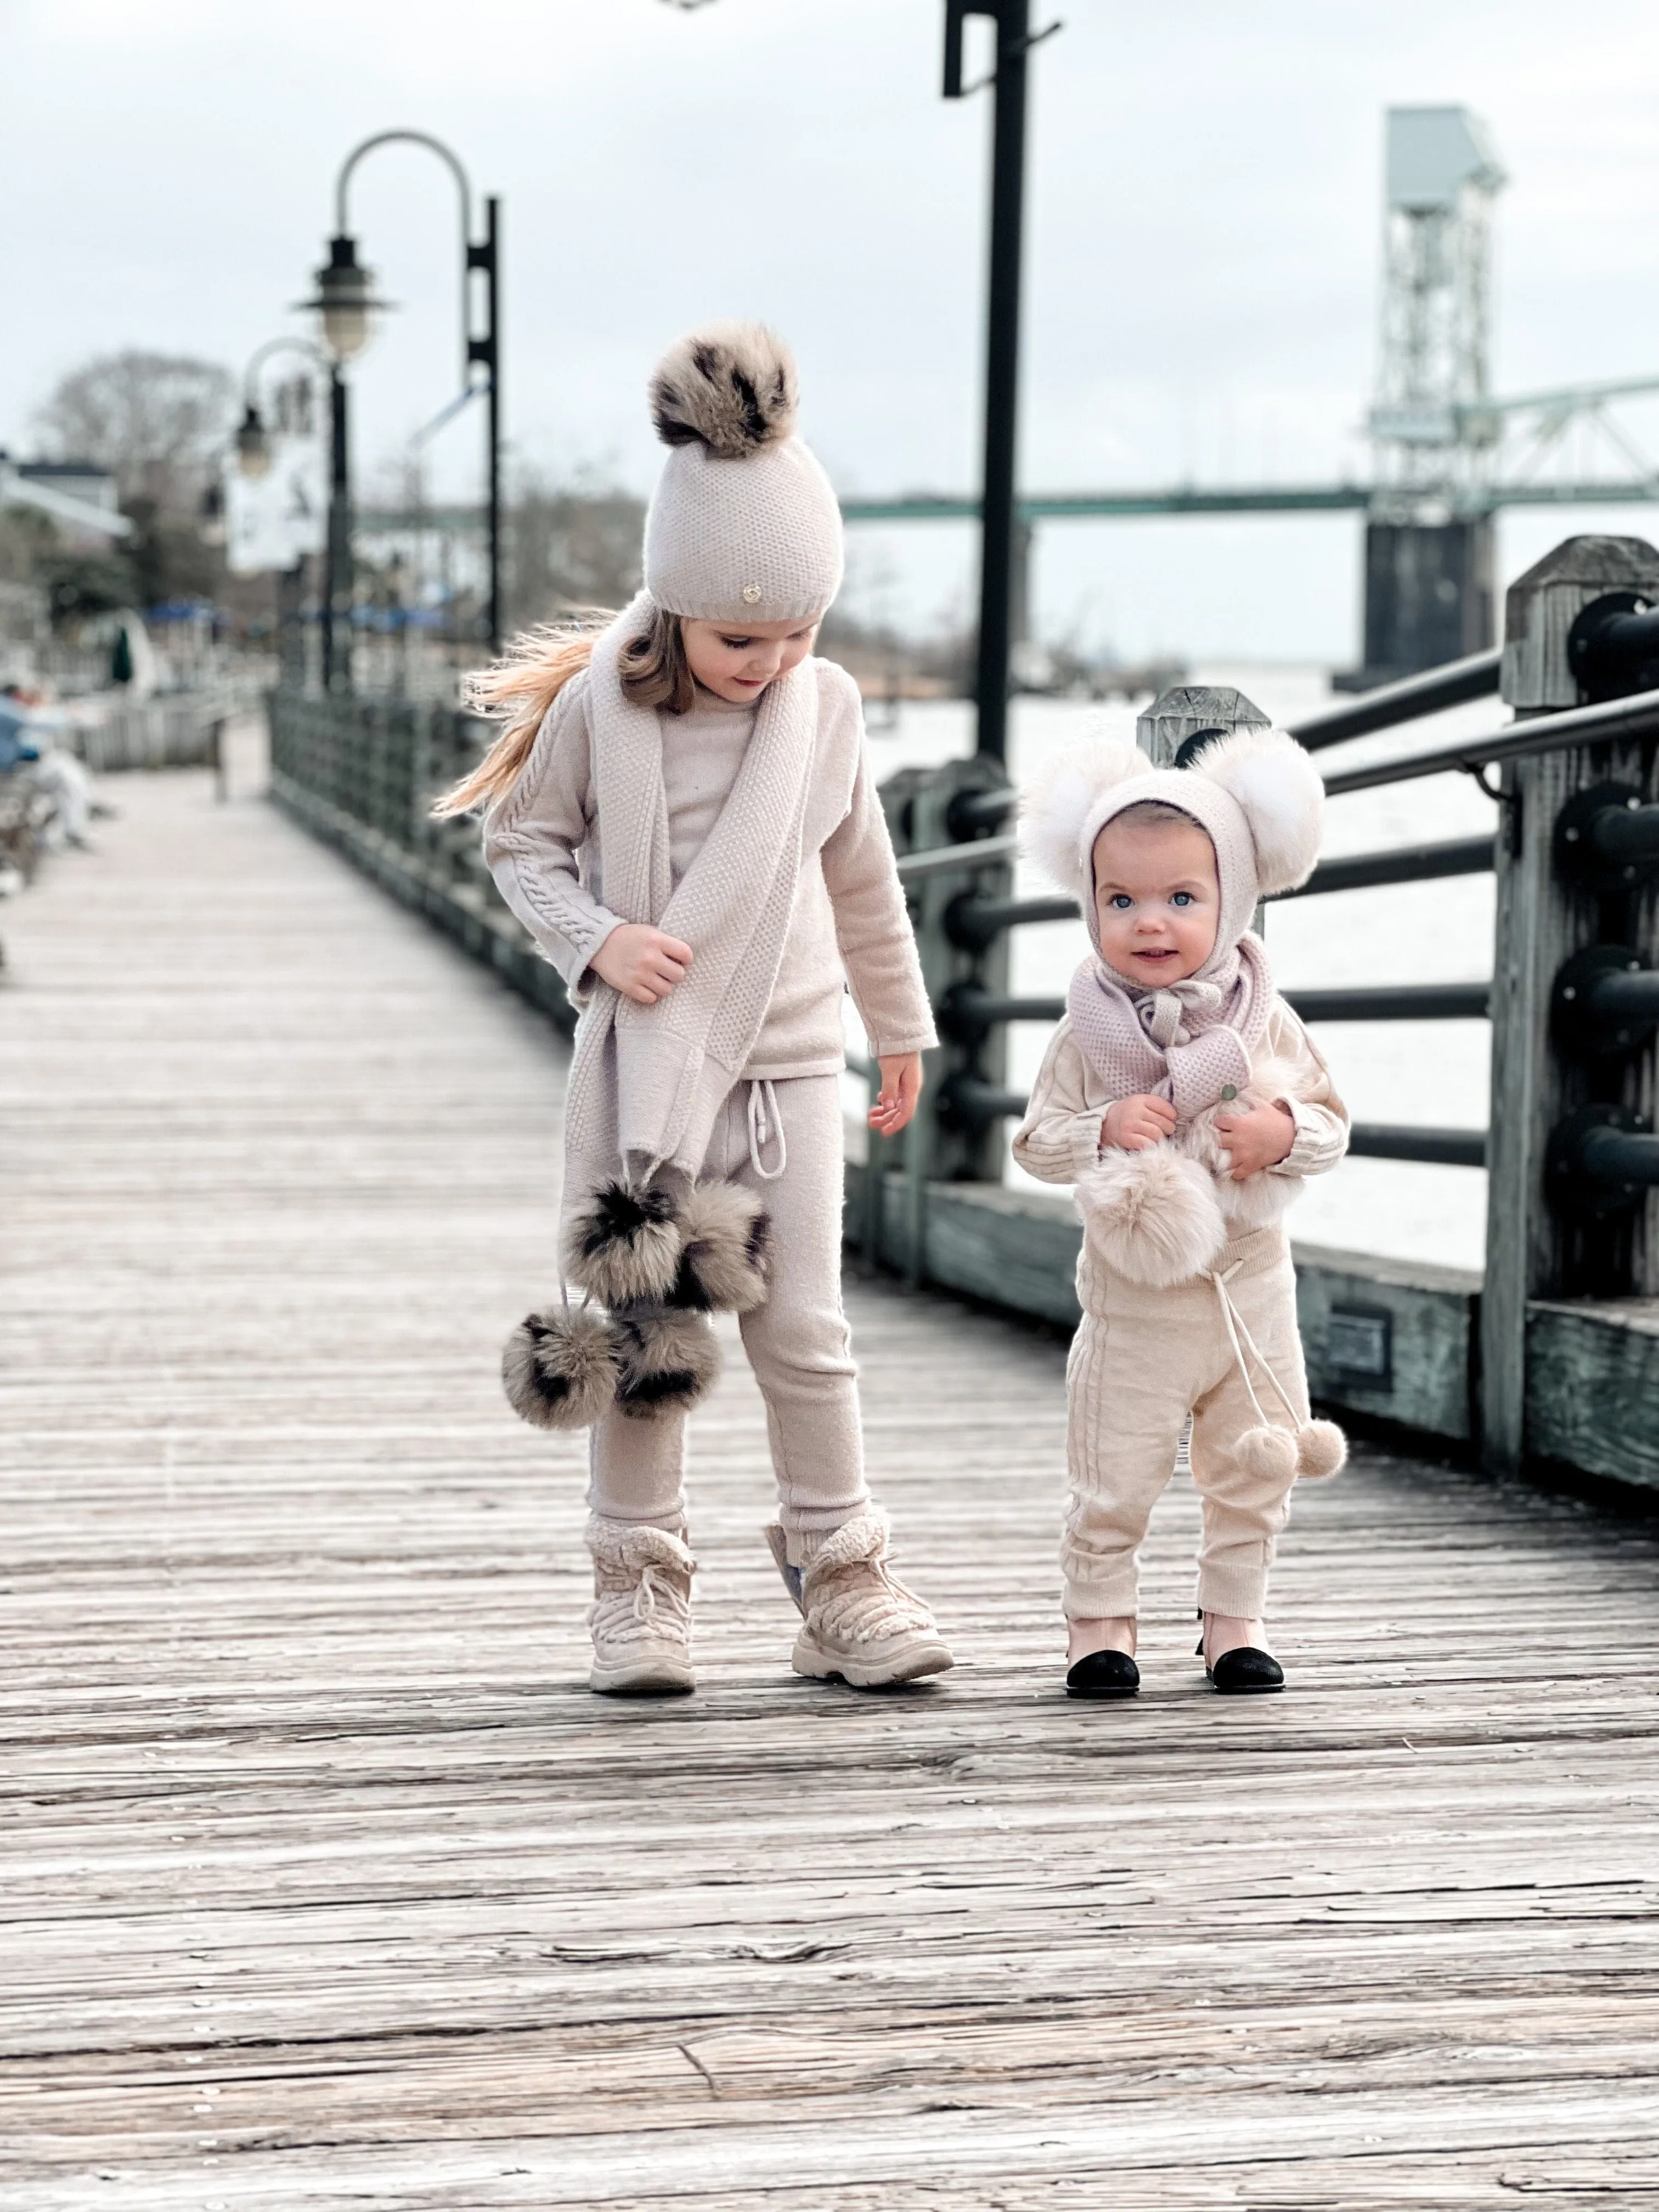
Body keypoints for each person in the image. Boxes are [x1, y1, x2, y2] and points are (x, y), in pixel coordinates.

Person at [435, 323, 953, 1699]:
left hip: (790, 1071)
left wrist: (899, 1029)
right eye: (742, 635)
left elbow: (864, 876)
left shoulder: (824, 708)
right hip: (654, 1071)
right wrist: (599, 943)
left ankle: (840, 1577)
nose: (772, 658)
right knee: (651, 1340)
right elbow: (520, 851)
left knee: (806, 1332)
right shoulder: (605, 708)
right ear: (674, 604)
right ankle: (639, 1587)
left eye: (800, 631)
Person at [1013, 728, 1350, 1699]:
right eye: (1120, 901)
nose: (1149, 924)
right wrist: (1103, 1127)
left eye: (1181, 900)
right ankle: (1100, 1623)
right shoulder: (1088, 1030)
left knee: (1256, 1463)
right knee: (1114, 1470)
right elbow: (1036, 1142)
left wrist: (1283, 1135)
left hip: (1252, 1292)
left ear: (1233, 899)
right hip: (1136, 1306)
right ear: (1091, 906)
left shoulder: (1265, 1018)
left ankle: (1233, 1618)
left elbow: (1330, 1120)